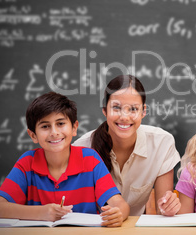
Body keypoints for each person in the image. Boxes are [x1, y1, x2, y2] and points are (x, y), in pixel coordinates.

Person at [0, 92, 129, 227]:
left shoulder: (90, 159)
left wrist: (118, 214)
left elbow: (120, 204)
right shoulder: (27, 163)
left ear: (74, 128)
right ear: (33, 135)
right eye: (45, 126)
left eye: (60, 123)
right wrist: (41, 213)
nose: (54, 132)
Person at [73, 75, 181, 216]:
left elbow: (162, 209)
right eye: (116, 108)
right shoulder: (82, 148)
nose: (124, 117)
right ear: (104, 110)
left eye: (133, 109)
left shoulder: (161, 143)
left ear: (143, 111)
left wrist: (168, 206)